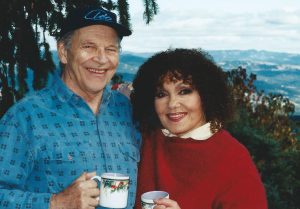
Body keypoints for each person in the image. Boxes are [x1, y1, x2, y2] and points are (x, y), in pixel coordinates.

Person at [0, 7, 140, 209]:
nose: (101, 59)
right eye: (89, 47)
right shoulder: (25, 117)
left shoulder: (126, 110)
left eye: (110, 49)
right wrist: (55, 203)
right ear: (64, 52)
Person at [131, 48, 268, 209]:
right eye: (161, 94)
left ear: (205, 95)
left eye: (184, 91)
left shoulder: (233, 158)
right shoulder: (146, 139)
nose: (172, 104)